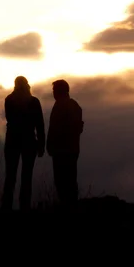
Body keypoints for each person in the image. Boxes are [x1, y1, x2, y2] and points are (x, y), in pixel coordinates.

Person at [1, 76, 45, 211]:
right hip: (29, 141)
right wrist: (41, 145)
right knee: (26, 177)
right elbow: (40, 125)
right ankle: (24, 207)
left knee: (10, 176)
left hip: (12, 141)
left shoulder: (9, 100)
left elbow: (9, 119)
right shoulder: (34, 101)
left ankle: (6, 206)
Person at [46, 79, 84, 211]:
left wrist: (51, 145)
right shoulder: (75, 106)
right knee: (70, 180)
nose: (53, 93)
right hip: (71, 150)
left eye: (54, 90)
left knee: (62, 181)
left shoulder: (61, 106)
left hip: (62, 150)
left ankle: (67, 208)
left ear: (60, 91)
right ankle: (71, 206)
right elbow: (79, 128)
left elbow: (56, 129)